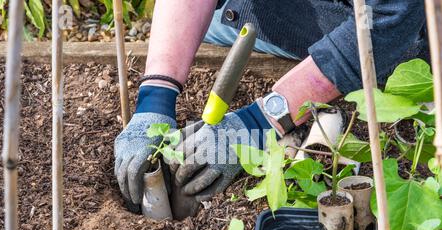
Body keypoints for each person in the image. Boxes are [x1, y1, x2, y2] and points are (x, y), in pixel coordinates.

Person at [114, 0, 428, 212]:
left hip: (393, 27)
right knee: (208, 23)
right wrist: (156, 95)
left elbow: (388, 21)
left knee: (401, 51)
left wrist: (260, 120)